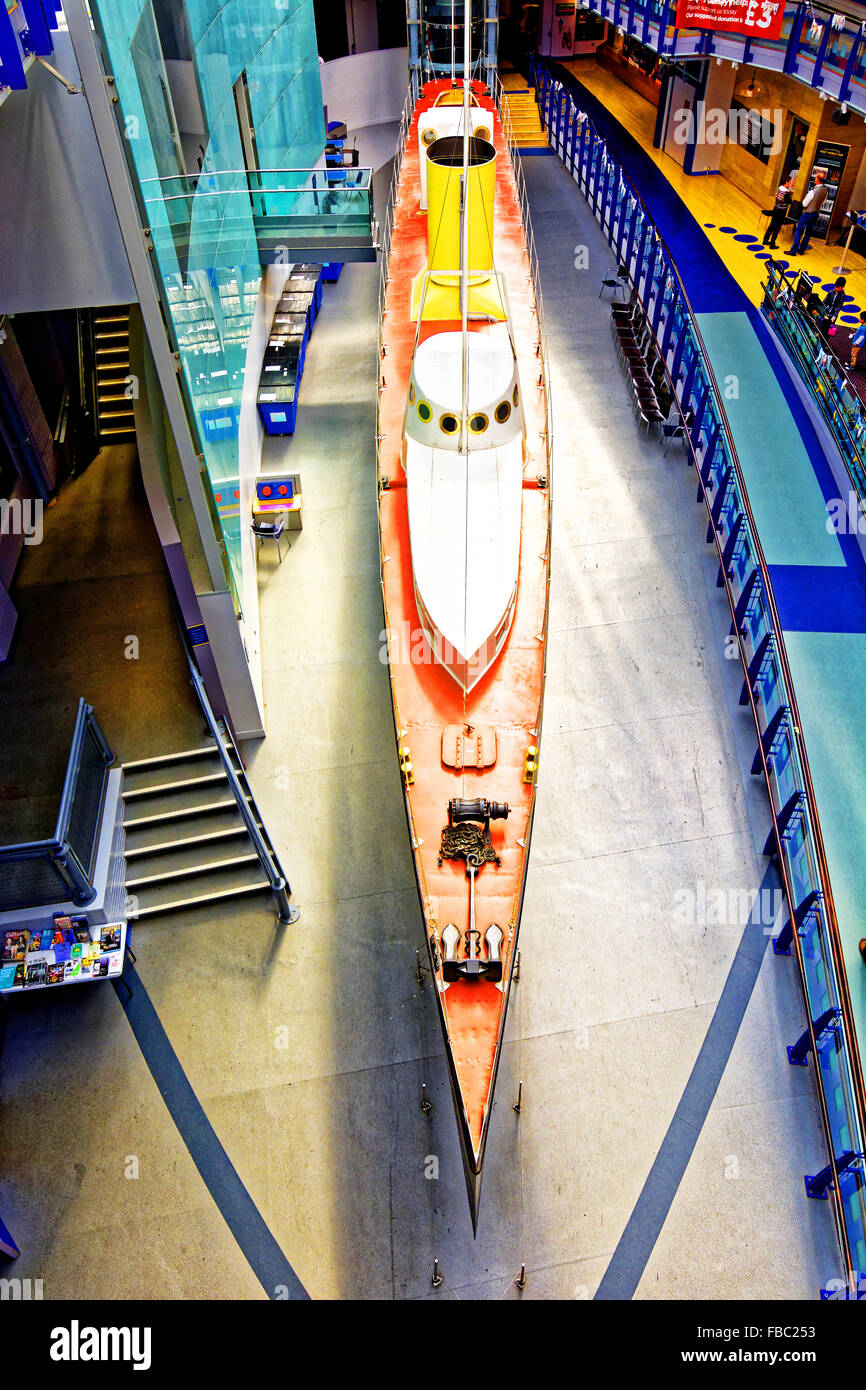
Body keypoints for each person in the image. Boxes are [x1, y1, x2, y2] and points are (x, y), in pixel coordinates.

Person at [789, 172, 827, 255]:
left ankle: (793, 251)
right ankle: (802, 250)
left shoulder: (813, 191)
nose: (815, 178)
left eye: (816, 177)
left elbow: (804, 204)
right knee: (808, 233)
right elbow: (823, 202)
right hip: (816, 213)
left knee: (798, 231)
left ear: (818, 179)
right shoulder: (825, 190)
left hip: (807, 214)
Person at [763, 173, 794, 249]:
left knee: (772, 225)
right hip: (781, 212)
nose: (790, 183)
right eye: (790, 181)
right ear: (786, 182)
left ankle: (765, 240)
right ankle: (772, 244)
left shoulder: (779, 188)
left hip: (775, 209)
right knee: (777, 228)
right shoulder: (786, 192)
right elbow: (789, 202)